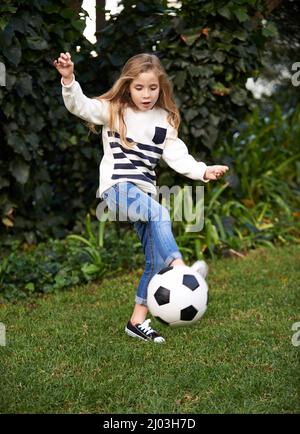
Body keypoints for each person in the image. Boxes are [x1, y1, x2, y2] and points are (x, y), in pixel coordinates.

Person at [53, 52, 229, 344]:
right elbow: (80, 106)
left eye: (152, 88)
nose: (146, 94)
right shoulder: (114, 109)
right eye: (139, 88)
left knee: (153, 261)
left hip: (143, 193)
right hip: (117, 187)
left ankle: (137, 321)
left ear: (161, 87)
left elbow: (177, 156)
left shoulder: (165, 121)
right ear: (127, 86)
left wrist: (203, 170)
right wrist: (69, 79)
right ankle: (181, 269)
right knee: (161, 214)